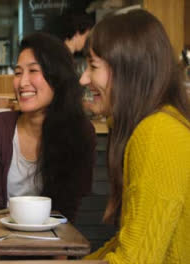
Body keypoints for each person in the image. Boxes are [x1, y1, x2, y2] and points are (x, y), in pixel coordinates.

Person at [80, 10, 190, 263]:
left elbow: (135, 259)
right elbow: (129, 243)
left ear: (127, 70)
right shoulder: (160, 125)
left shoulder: (157, 135)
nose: (84, 78)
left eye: (93, 66)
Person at [0, 32, 96, 222]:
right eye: (17, 73)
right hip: (2, 242)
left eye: (33, 71)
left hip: (54, 243)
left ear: (57, 77)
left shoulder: (80, 132)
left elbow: (67, 213)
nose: (22, 82)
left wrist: (58, 251)